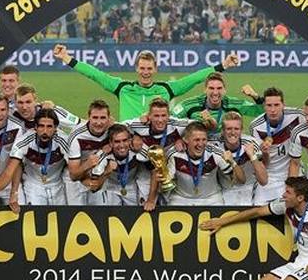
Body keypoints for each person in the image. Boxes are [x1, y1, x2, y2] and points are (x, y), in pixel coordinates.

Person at [53, 44, 240, 121]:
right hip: (127, 143)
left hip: (156, 144)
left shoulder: (167, 89)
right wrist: (67, 58)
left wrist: (223, 65)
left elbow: (195, 78)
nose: (145, 72)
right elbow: (95, 74)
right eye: (142, 68)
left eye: (149, 68)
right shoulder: (122, 88)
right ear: (136, 68)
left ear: (155, 69)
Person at [146, 121, 245, 209]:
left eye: (204, 139)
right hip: (181, 199)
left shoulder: (216, 153)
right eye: (196, 140)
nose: (201, 144)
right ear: (186, 140)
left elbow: (241, 180)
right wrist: (151, 200)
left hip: (211, 199)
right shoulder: (175, 155)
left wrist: (233, 162)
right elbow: (161, 176)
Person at [0, 109, 69, 209]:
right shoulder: (23, 141)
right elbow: (10, 170)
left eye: (49, 127)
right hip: (34, 185)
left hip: (58, 184)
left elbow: (74, 167)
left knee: (61, 218)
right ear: (35, 127)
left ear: (55, 128)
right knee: (36, 216)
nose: (45, 131)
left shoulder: (63, 141)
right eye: (41, 126)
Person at [0, 84, 80, 151]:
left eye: (28, 102)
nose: (24, 107)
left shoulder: (51, 111)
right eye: (20, 102)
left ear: (35, 100)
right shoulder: (10, 112)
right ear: (15, 102)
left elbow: (80, 123)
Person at [125, 97, 188, 205]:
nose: (160, 120)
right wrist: (132, 136)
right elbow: (114, 126)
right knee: (145, 206)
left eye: (163, 116)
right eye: (156, 116)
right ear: (149, 116)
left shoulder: (176, 124)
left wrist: (184, 138)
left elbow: (199, 126)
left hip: (169, 172)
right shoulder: (139, 125)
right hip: (147, 173)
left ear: (169, 116)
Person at [248, 87, 305, 203]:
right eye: (269, 105)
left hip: (294, 169)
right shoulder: (256, 127)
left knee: (300, 204)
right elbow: (263, 164)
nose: (273, 110)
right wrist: (265, 153)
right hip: (270, 174)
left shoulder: (297, 116)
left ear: (283, 105)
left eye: (276, 105)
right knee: (258, 205)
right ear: (264, 106)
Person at [171, 72, 264, 136]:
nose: (215, 92)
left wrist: (255, 97)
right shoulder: (190, 104)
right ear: (205, 90)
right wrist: (178, 138)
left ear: (224, 90)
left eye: (219, 88)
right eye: (211, 88)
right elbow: (170, 119)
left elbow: (264, 111)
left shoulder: (234, 104)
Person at [88, 124, 151, 206]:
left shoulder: (139, 149)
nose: (122, 145)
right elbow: (94, 188)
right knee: (99, 198)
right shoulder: (103, 155)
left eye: (124, 140)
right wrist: (107, 171)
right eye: (117, 141)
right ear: (110, 143)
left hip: (132, 185)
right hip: (110, 187)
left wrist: (151, 200)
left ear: (130, 140)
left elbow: (154, 171)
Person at [66, 99, 112, 205]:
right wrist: (87, 165)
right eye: (95, 118)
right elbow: (73, 175)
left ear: (109, 119)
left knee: (99, 214)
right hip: (77, 180)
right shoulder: (77, 136)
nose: (99, 122)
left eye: (103, 118)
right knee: (76, 215)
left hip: (99, 177)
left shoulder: (112, 130)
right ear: (88, 118)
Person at [216, 112, 267, 206]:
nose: (233, 132)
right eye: (228, 129)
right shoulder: (216, 146)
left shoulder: (251, 143)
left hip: (250, 188)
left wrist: (252, 156)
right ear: (222, 131)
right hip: (226, 191)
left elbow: (264, 180)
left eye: (236, 129)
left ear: (241, 130)